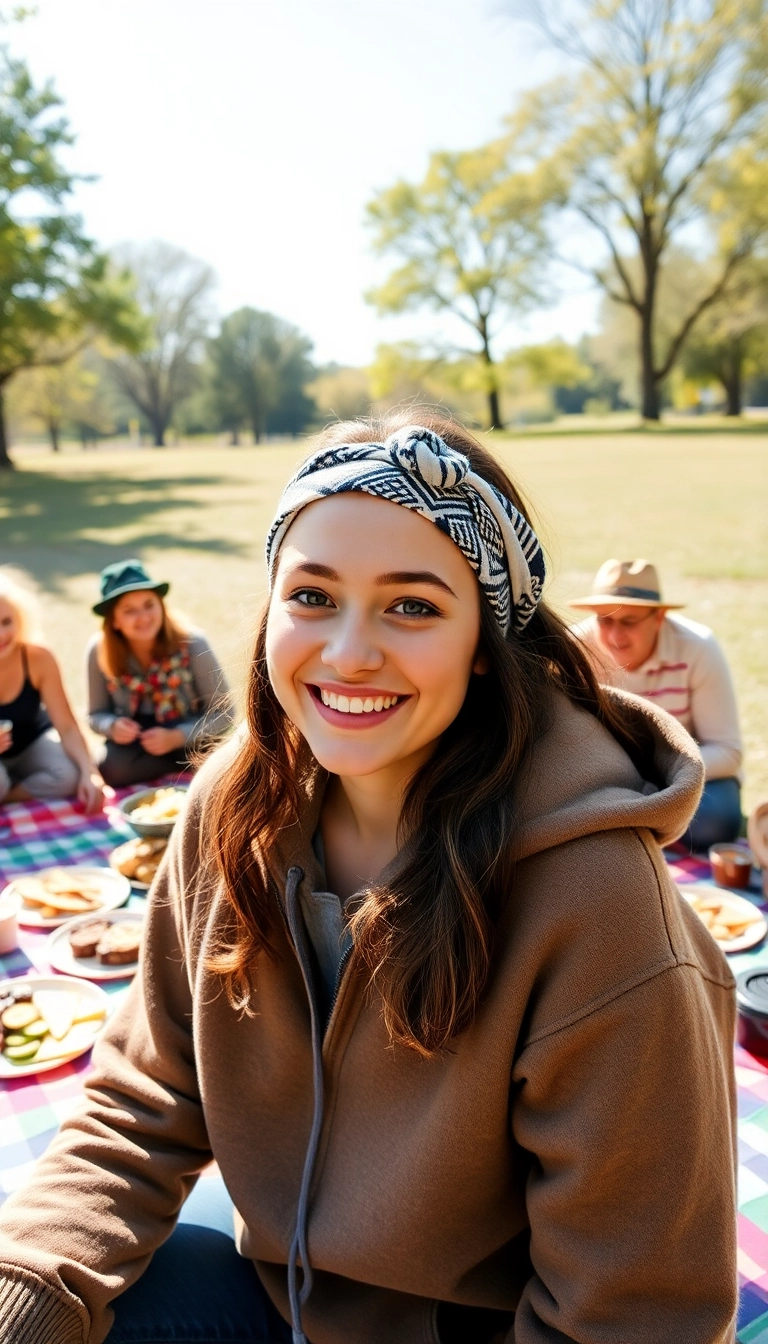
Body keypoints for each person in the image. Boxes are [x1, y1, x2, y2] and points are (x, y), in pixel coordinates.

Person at [0, 418, 737, 1344]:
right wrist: (25, 1290)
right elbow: (144, 1103)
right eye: (312, 595)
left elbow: (633, 1315)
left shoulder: (601, 911)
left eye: (413, 606)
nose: (348, 653)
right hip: (273, 1292)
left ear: (484, 639)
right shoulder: (229, 808)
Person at [570, 558, 743, 851]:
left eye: (629, 622)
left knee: (718, 820)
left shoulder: (698, 647)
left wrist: (664, 782)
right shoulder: (575, 647)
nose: (615, 637)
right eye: (605, 620)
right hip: (607, 773)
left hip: (680, 771)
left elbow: (727, 751)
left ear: (659, 618)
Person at [86, 559, 235, 788]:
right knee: (109, 768)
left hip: (191, 734)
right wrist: (112, 726)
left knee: (223, 761)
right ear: (114, 621)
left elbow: (225, 713)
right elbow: (96, 714)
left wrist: (176, 737)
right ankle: (181, 772)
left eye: (149, 605)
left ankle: (188, 770)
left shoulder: (193, 642)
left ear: (161, 605)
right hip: (138, 742)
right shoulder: (99, 650)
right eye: (129, 611)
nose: (144, 617)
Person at [0, 568, 103, 813]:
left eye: (6, 622)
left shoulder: (38, 658)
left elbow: (67, 726)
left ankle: (9, 796)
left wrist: (91, 773)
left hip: (33, 743)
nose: (2, 634)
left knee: (68, 776)